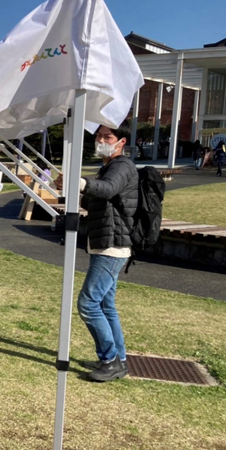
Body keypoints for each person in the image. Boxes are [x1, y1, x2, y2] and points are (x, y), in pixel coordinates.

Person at [77, 123, 138, 382]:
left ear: (121, 141)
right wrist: (78, 188)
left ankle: (110, 359)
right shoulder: (107, 167)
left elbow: (109, 189)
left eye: (107, 136)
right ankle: (119, 359)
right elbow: (93, 199)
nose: (101, 140)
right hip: (107, 242)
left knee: (88, 304)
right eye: (99, 136)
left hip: (112, 245)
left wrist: (81, 182)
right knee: (105, 305)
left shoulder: (121, 166)